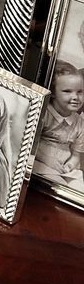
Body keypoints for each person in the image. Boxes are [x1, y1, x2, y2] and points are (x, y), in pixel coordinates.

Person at [33, 60, 84, 188]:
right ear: (54, 93)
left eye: (80, 92)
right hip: (40, 163)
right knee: (57, 185)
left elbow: (76, 154)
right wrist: (48, 161)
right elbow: (31, 145)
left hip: (64, 168)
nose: (75, 97)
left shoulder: (79, 123)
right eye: (67, 91)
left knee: (78, 188)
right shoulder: (44, 114)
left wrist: (70, 165)